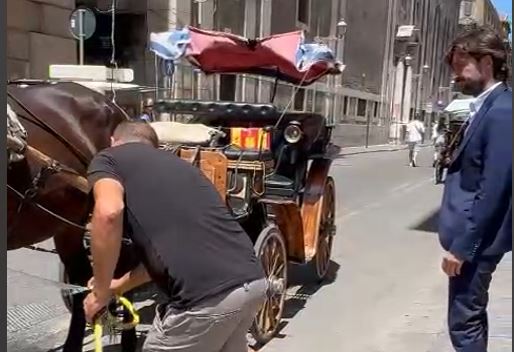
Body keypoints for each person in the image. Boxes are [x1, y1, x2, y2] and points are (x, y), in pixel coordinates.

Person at [83, 121, 267, 352]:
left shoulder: (109, 159)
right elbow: (167, 254)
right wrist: (116, 285)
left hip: (205, 299)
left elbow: (109, 213)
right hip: (252, 284)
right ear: (155, 146)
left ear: (113, 141)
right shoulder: (182, 167)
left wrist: (99, 294)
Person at [438, 26, 512, 352]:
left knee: (463, 323)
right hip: (475, 241)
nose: (456, 77)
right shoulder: (489, 105)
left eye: (461, 67)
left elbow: (494, 188)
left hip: (477, 243)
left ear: (486, 63)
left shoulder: (501, 112)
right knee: (471, 316)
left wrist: (463, 247)